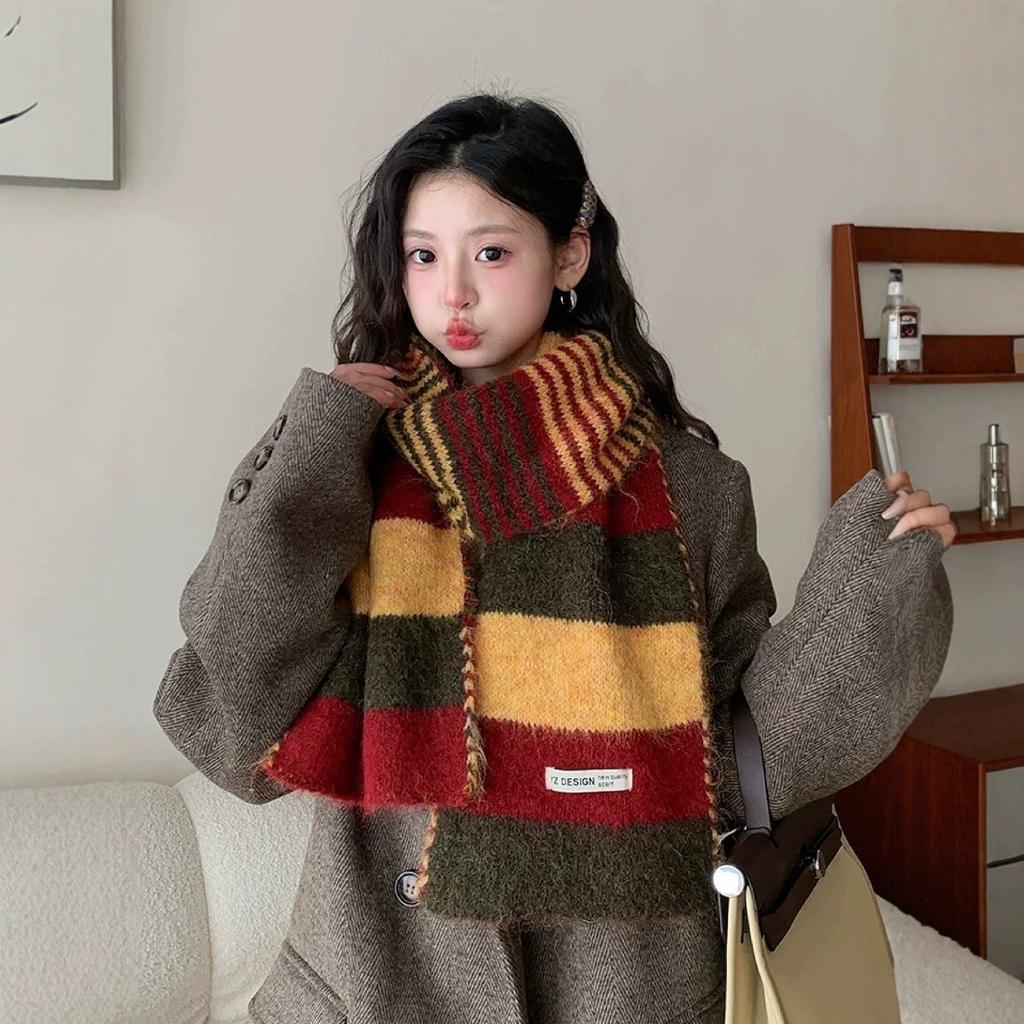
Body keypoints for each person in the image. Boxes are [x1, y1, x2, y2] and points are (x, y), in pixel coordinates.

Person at [153, 92, 955, 1024]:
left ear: (568, 256)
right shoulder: (353, 466)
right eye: (423, 255)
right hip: (377, 988)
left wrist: (871, 592)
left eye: (491, 253)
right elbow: (234, 725)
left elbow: (748, 763)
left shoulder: (690, 489)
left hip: (631, 990)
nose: (453, 293)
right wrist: (310, 449)